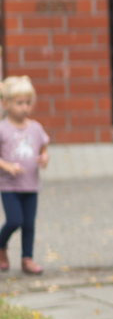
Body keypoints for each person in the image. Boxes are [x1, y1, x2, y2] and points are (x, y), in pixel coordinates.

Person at [0, 77, 49, 275]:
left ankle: (27, 259)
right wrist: (7, 166)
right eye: (19, 103)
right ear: (6, 104)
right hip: (9, 186)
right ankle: (1, 245)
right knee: (15, 221)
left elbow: (44, 147)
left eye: (28, 103)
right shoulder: (2, 128)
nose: (25, 107)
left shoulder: (35, 128)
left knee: (29, 224)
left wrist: (45, 157)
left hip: (31, 185)